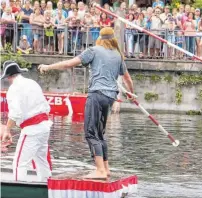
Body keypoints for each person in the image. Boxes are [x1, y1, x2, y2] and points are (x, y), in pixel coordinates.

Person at [38, 27, 135, 180]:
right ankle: (106, 168)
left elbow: (70, 64)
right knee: (100, 133)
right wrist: (131, 94)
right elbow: (128, 78)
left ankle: (100, 171)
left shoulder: (93, 50)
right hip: (109, 98)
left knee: (91, 132)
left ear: (100, 38)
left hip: (96, 95)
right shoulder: (118, 55)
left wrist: (49, 67)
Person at [1, 61, 53, 182]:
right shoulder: (32, 83)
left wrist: (7, 130)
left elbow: (15, 113)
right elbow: (46, 107)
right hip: (44, 127)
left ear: (9, 76)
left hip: (32, 129)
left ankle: (17, 191)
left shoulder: (13, 88)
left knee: (19, 163)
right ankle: (46, 185)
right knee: (41, 160)